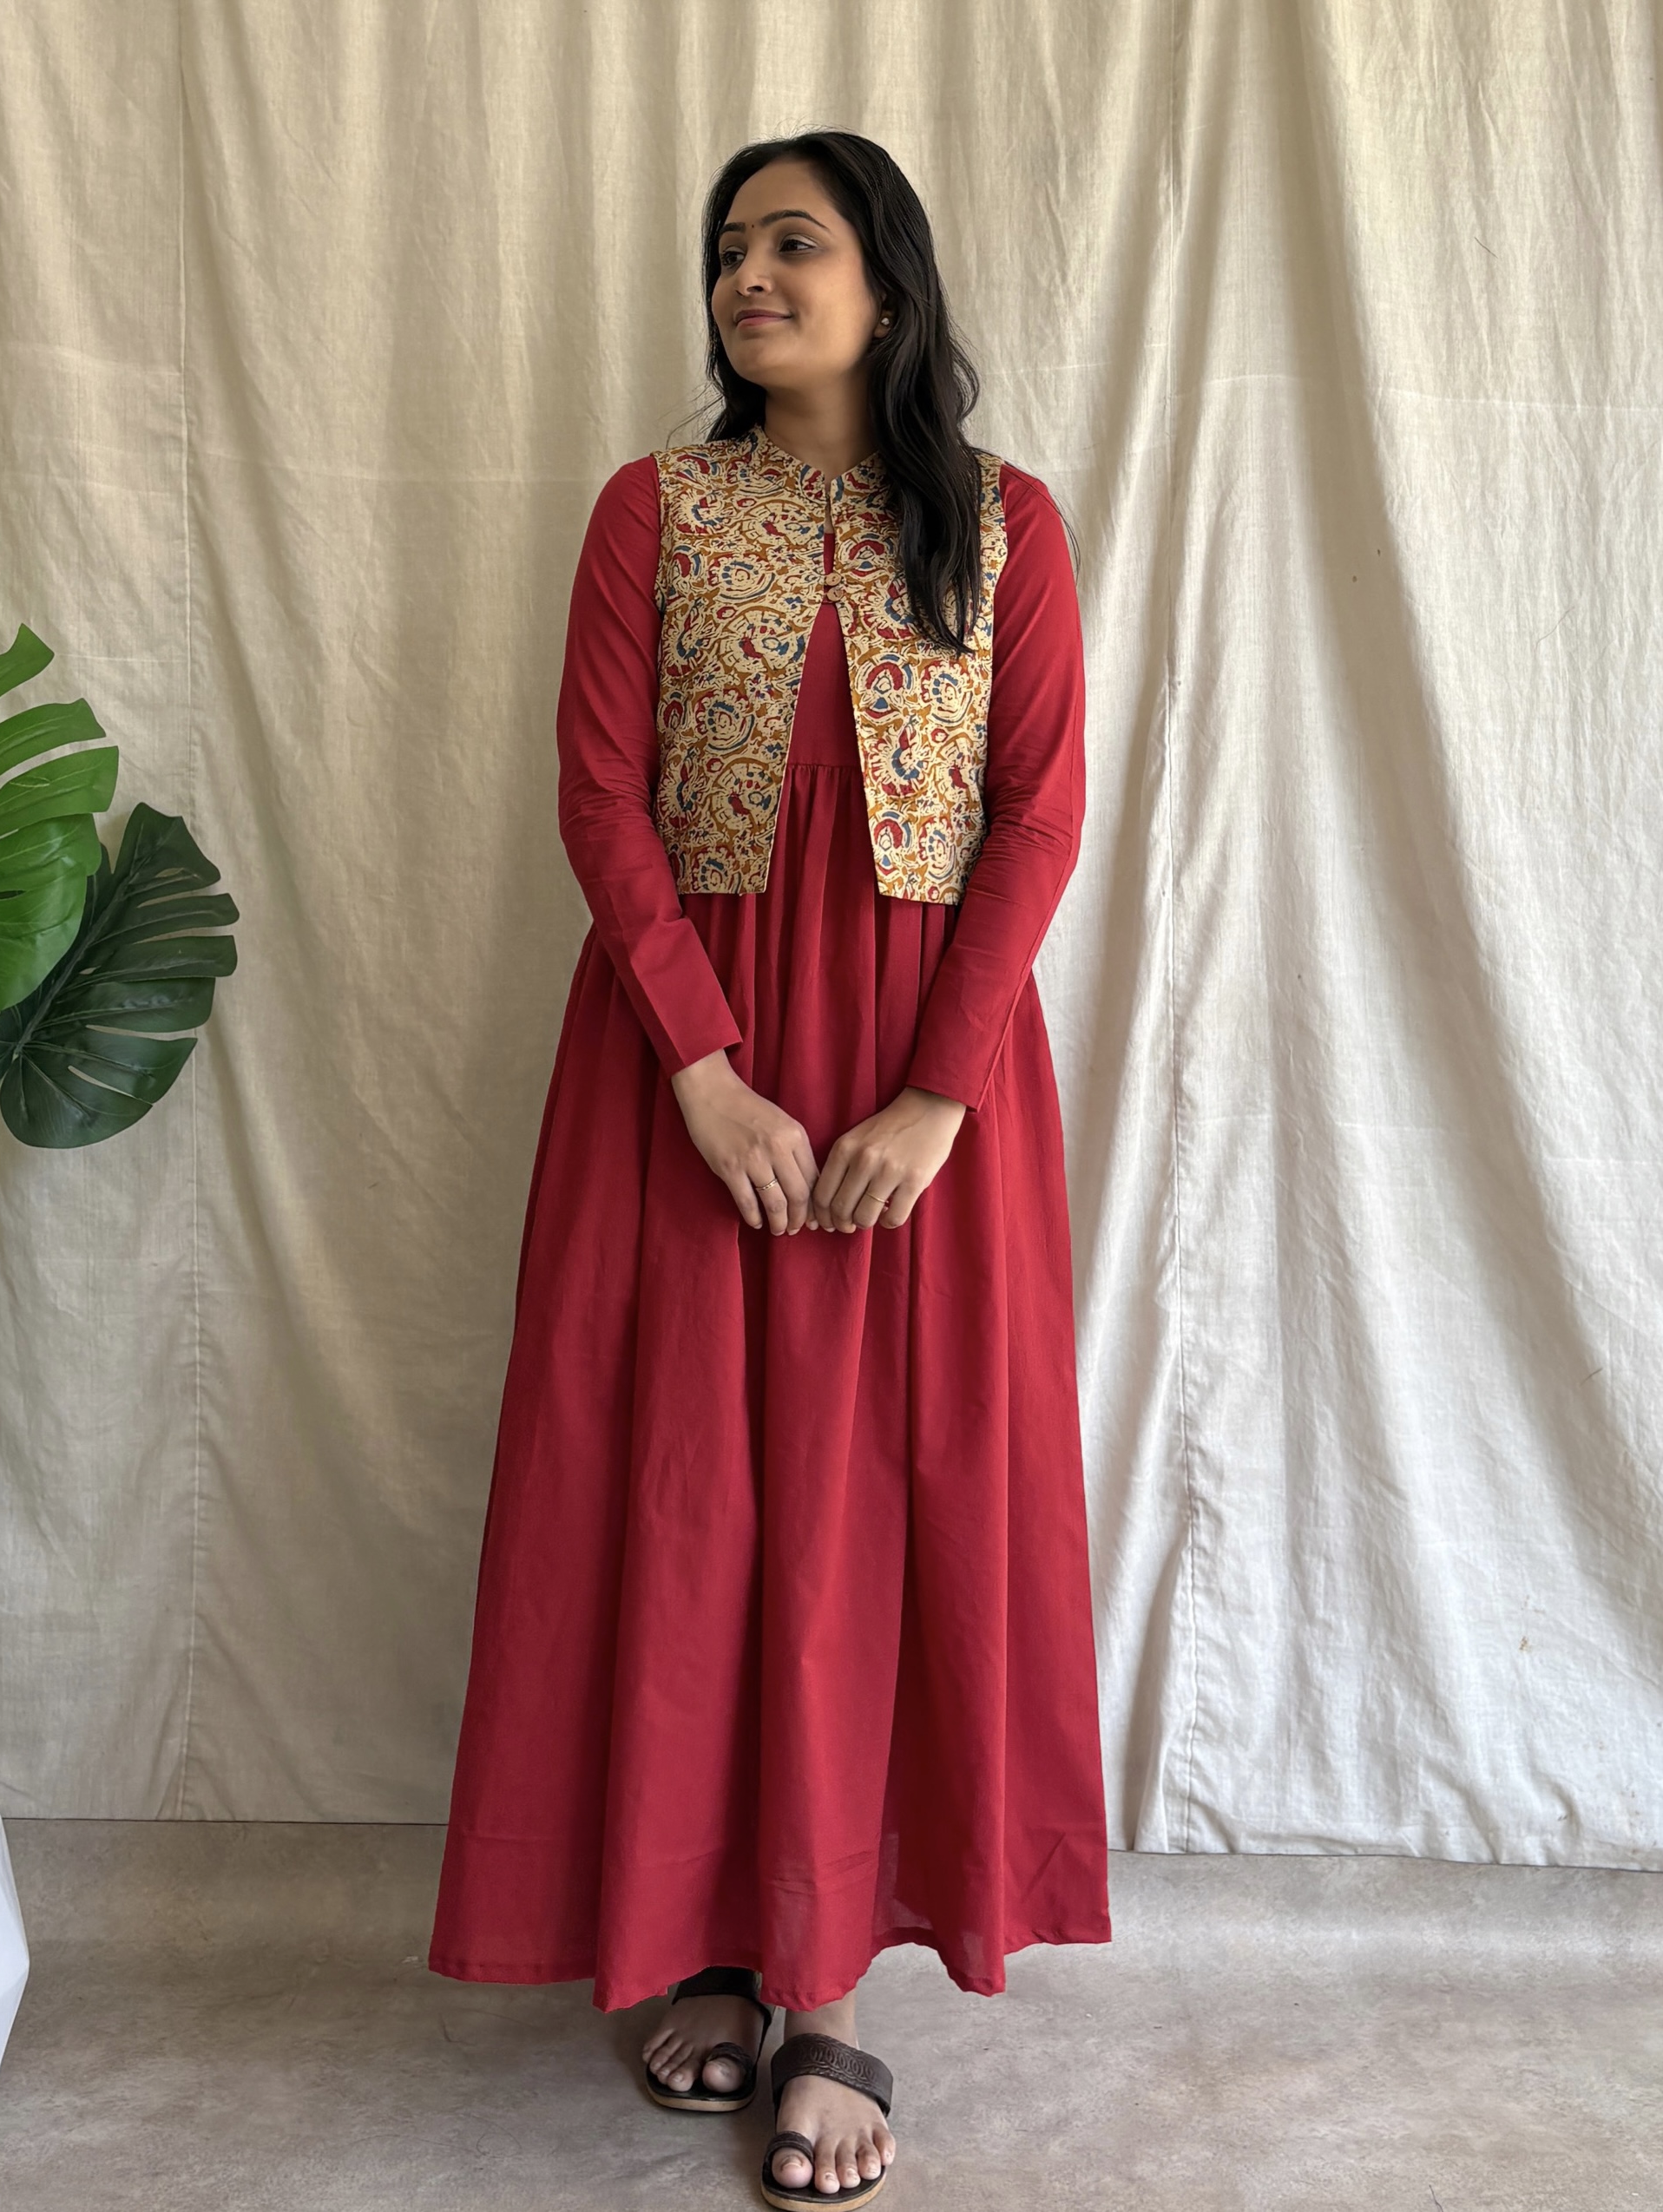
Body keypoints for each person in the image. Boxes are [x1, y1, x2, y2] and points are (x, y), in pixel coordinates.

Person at [431, 129, 1108, 2207]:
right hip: (686, 1078)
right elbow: (602, 798)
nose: (749, 275)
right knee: (696, 1494)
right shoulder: (654, 512)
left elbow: (1038, 819)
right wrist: (706, 1070)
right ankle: (705, 1942)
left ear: (885, 286)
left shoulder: (1002, 529)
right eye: (728, 248)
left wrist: (936, 1095)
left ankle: (829, 1998)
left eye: (792, 242)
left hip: (926, 1095)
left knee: (877, 1506)